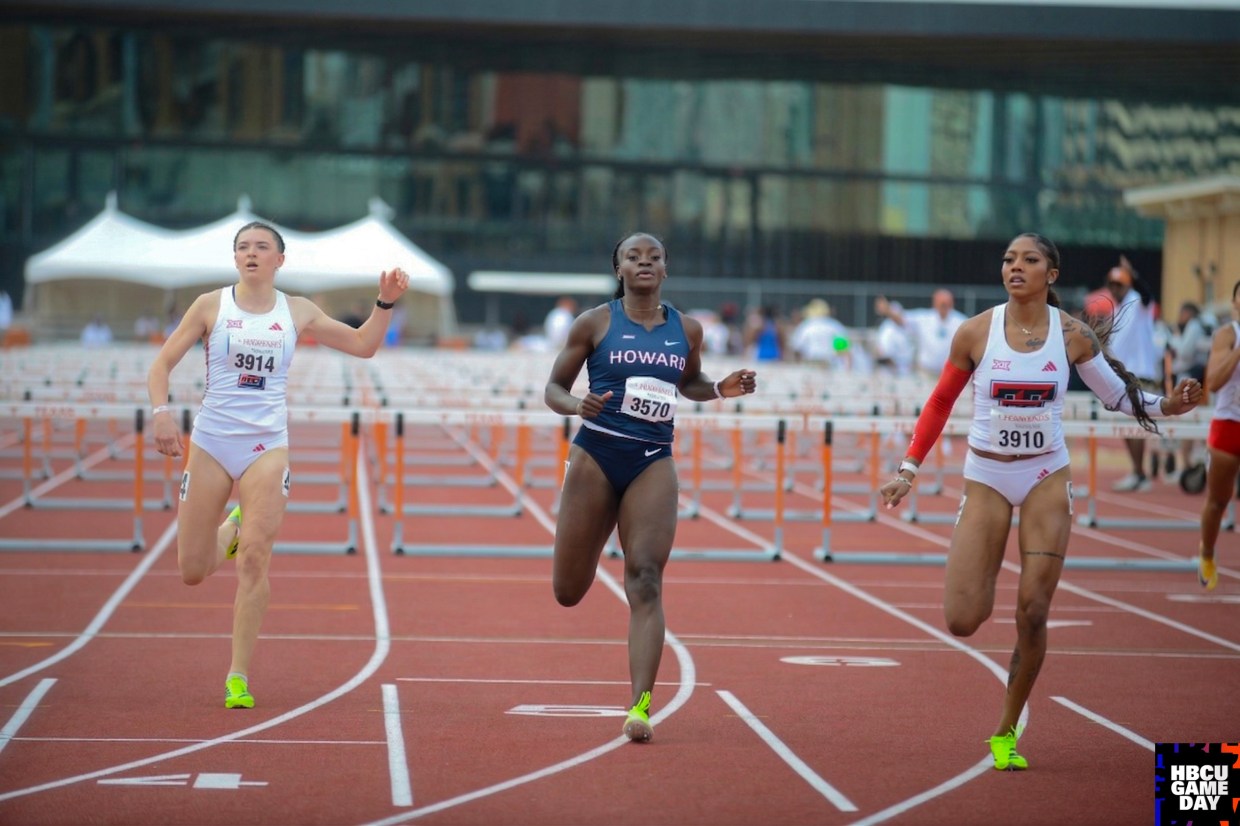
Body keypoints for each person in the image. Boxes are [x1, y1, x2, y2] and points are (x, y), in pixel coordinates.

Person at [878, 233, 1202, 772]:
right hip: (986, 476)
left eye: (1029, 260)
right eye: (1009, 259)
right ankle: (984, 586)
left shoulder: (1071, 335)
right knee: (963, 618)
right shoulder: (975, 332)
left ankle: (1005, 731)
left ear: (1051, 274)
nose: (1015, 267)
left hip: (1046, 474)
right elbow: (940, 401)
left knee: (1033, 609)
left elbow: (1119, 395)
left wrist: (1169, 404)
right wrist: (908, 469)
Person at [147, 220, 409, 709]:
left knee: (255, 560)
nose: (251, 254)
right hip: (210, 442)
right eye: (243, 247)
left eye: (261, 247)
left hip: (267, 446)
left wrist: (385, 303)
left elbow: (363, 345)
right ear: (235, 259)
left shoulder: (298, 311)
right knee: (192, 570)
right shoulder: (210, 306)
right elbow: (160, 365)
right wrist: (162, 414)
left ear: (279, 260)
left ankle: (237, 676)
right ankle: (232, 527)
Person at [544, 232, 757, 742]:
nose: (644, 262)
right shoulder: (593, 323)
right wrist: (577, 406)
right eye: (632, 257)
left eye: (653, 257)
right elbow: (553, 389)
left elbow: (690, 383)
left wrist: (719, 390)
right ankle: (584, 553)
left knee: (645, 578)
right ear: (618, 269)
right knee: (568, 591)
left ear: (665, 269)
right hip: (596, 455)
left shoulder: (687, 328)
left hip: (652, 461)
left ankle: (640, 705)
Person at [1099, 258, 1161, 492]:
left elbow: (1146, 292)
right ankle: (1137, 472)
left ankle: (1140, 473)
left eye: (1120, 285)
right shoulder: (1116, 309)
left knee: (1135, 426)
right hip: (1122, 376)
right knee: (1126, 426)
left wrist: (1132, 273)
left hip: (1140, 374)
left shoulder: (1139, 302)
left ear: (1128, 285)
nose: (1115, 289)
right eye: (1112, 285)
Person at [1197, 280, 1240, 591]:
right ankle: (1208, 553)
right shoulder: (1227, 335)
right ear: (1235, 304)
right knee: (1218, 501)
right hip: (1229, 424)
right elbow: (1212, 382)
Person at [789, 298, 851, 369]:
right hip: (831, 366)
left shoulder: (805, 326)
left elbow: (797, 348)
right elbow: (843, 351)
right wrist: (847, 370)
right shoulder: (835, 326)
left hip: (810, 364)